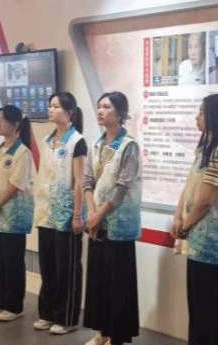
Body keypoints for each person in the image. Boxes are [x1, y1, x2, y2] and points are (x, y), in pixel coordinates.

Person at [171, 93, 218, 345]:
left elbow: (206, 200)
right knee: (200, 310)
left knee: (212, 312)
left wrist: (185, 226)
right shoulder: (205, 148)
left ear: (215, 116)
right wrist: (178, 217)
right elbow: (190, 187)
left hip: (213, 244)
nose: (197, 117)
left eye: (202, 112)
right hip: (198, 242)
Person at [83, 91, 141, 345]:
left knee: (118, 283)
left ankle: (117, 336)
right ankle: (103, 332)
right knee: (99, 281)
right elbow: (87, 182)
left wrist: (99, 214)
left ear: (120, 113)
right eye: (99, 106)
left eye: (106, 107)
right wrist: (91, 213)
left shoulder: (128, 145)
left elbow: (122, 186)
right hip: (98, 222)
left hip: (118, 225)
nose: (100, 111)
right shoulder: (96, 145)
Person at [33, 92, 87, 335]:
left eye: (55, 106)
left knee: (67, 269)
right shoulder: (47, 141)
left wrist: (77, 215)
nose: (50, 110)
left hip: (66, 215)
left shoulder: (77, 142)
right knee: (48, 267)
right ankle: (47, 313)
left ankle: (67, 318)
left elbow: (80, 182)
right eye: (50, 106)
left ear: (69, 112)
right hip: (46, 213)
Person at [0, 105, 35, 322]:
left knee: (13, 262)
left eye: (2, 120)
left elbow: (15, 184)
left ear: (15, 124)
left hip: (13, 217)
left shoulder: (22, 152)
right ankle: (0, 302)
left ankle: (14, 306)